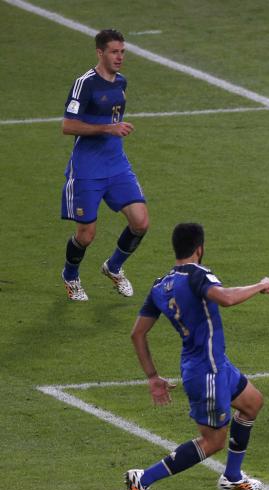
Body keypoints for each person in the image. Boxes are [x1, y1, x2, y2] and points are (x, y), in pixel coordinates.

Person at [124, 223, 269, 490]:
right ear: (200, 248)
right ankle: (142, 478)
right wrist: (260, 285)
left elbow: (137, 333)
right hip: (208, 373)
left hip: (213, 364)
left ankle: (232, 476)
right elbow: (227, 298)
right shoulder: (197, 275)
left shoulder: (160, 285)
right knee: (213, 442)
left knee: (252, 403)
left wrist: (152, 377)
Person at [60, 29, 150, 302]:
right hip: (87, 170)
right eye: (114, 51)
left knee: (141, 222)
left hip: (116, 165)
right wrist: (108, 129)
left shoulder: (121, 82)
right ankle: (70, 275)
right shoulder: (84, 83)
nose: (119, 56)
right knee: (86, 235)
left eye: (122, 51)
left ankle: (113, 267)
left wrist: (112, 131)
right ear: (100, 53)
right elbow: (68, 125)